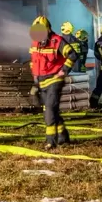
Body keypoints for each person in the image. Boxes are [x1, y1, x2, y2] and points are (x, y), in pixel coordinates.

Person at [30, 16, 71, 146]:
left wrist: (63, 71)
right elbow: (34, 63)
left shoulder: (58, 41)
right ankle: (63, 137)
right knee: (49, 111)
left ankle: (50, 141)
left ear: (47, 30)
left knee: (49, 110)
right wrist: (35, 82)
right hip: (42, 82)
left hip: (55, 80)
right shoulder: (35, 43)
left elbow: (73, 55)